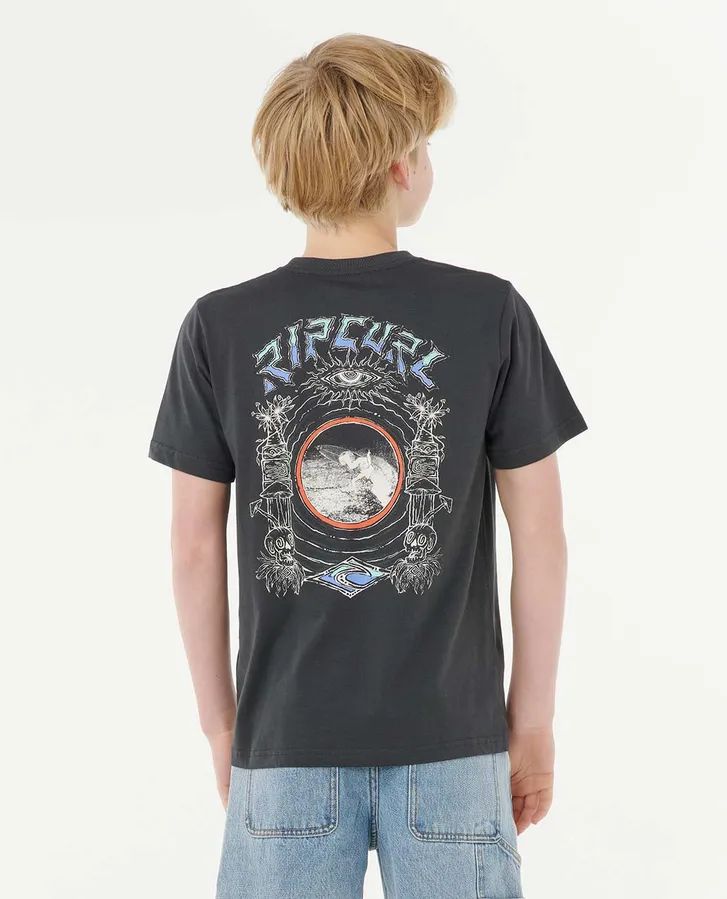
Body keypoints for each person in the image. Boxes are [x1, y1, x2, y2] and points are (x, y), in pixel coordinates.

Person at [149, 33, 587, 899]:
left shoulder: (219, 325)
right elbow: (540, 533)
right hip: (455, 743)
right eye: (426, 145)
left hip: (283, 742)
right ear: (399, 163)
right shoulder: (488, 311)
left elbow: (192, 546)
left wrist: (221, 728)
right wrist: (530, 721)